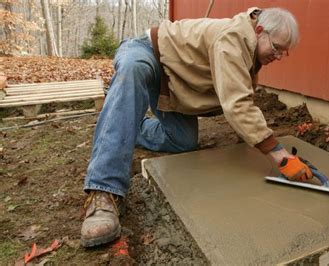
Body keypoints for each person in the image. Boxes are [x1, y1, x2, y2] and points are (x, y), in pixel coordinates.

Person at [81, 7, 314, 247]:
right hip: (147, 52)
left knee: (182, 141)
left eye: (284, 52)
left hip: (174, 79)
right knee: (133, 69)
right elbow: (237, 104)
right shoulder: (233, 39)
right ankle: (104, 192)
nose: (278, 56)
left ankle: (119, 122)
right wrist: (279, 155)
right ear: (260, 30)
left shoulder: (250, 44)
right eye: (276, 48)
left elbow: (239, 95)